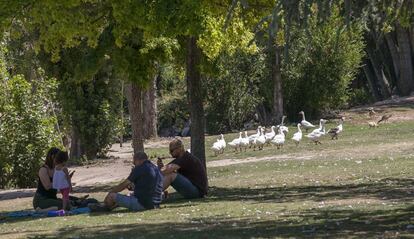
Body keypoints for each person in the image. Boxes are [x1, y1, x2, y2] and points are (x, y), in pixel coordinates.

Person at [94, 152, 163, 212]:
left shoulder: (140, 168)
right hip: (156, 204)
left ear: (137, 160)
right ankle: (112, 205)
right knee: (128, 195)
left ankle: (104, 207)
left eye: (134, 162)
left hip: (142, 204)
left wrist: (111, 192)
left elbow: (124, 184)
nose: (134, 165)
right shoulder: (155, 168)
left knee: (111, 196)